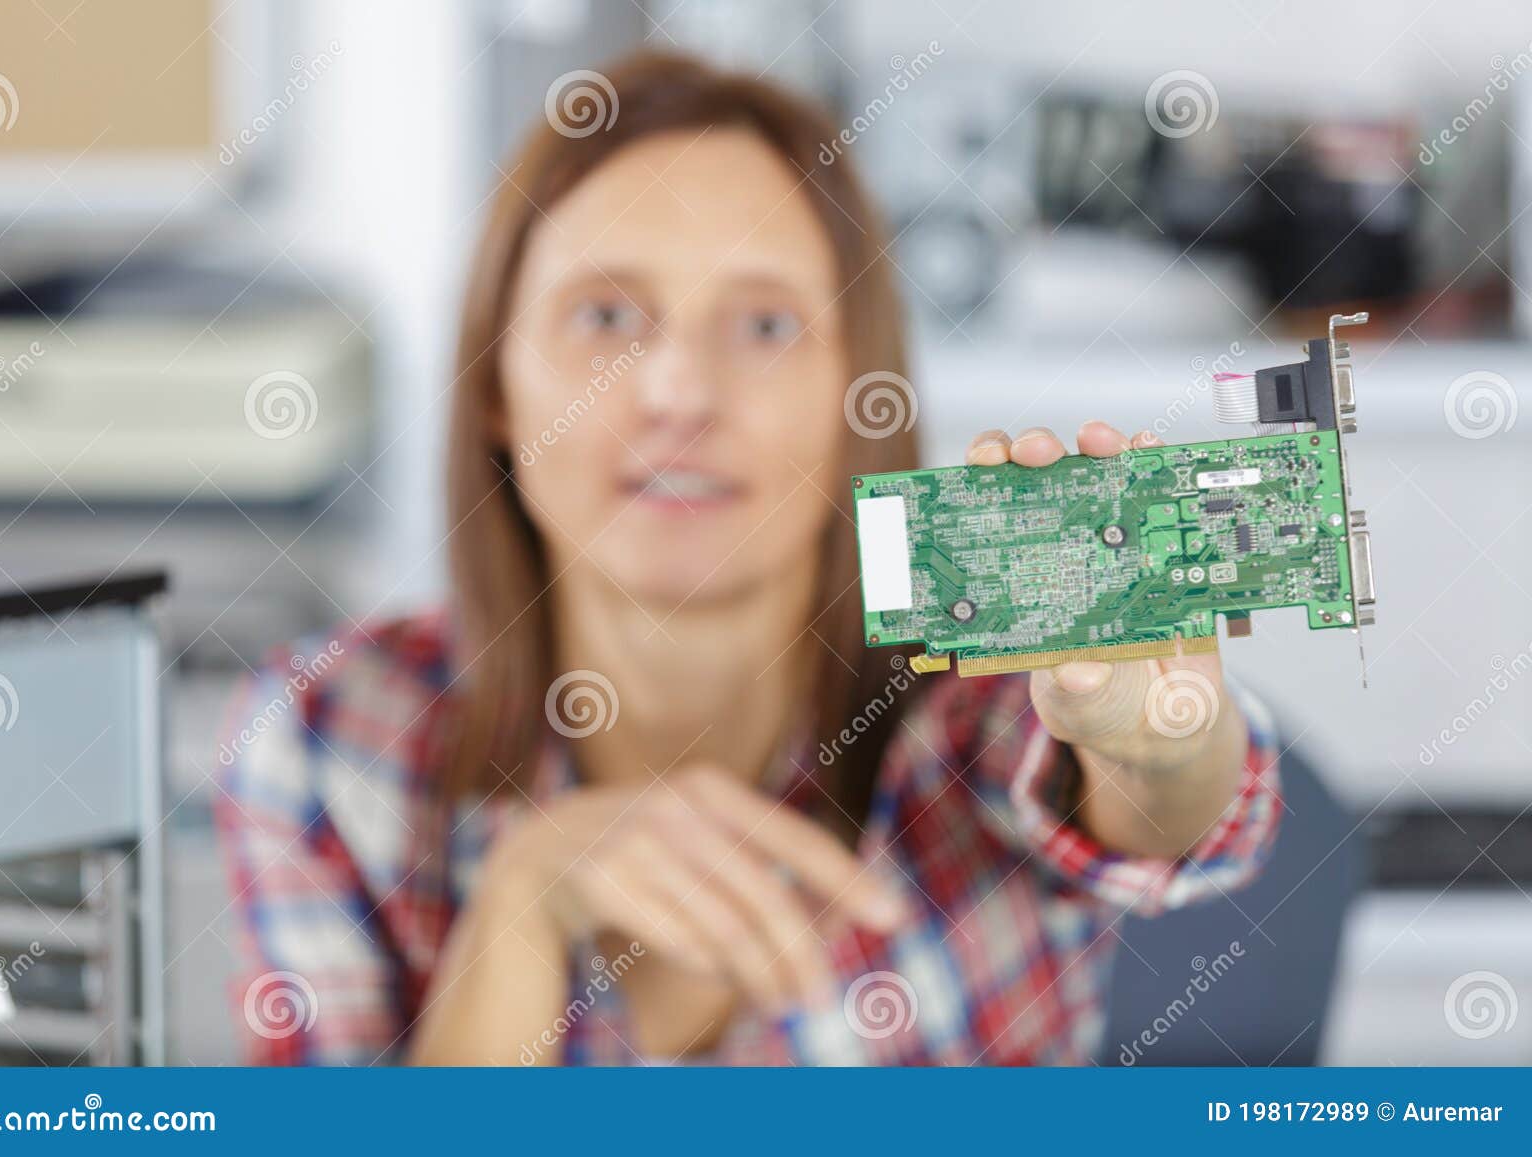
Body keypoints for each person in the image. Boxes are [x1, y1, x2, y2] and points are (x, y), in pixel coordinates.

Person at [215, 50, 1279, 1067]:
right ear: (494, 384)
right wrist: (526, 903)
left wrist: (1153, 739)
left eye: (765, 325)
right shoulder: (325, 736)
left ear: (857, 398)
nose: (679, 391)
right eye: (604, 314)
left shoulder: (973, 704)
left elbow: (1165, 809)